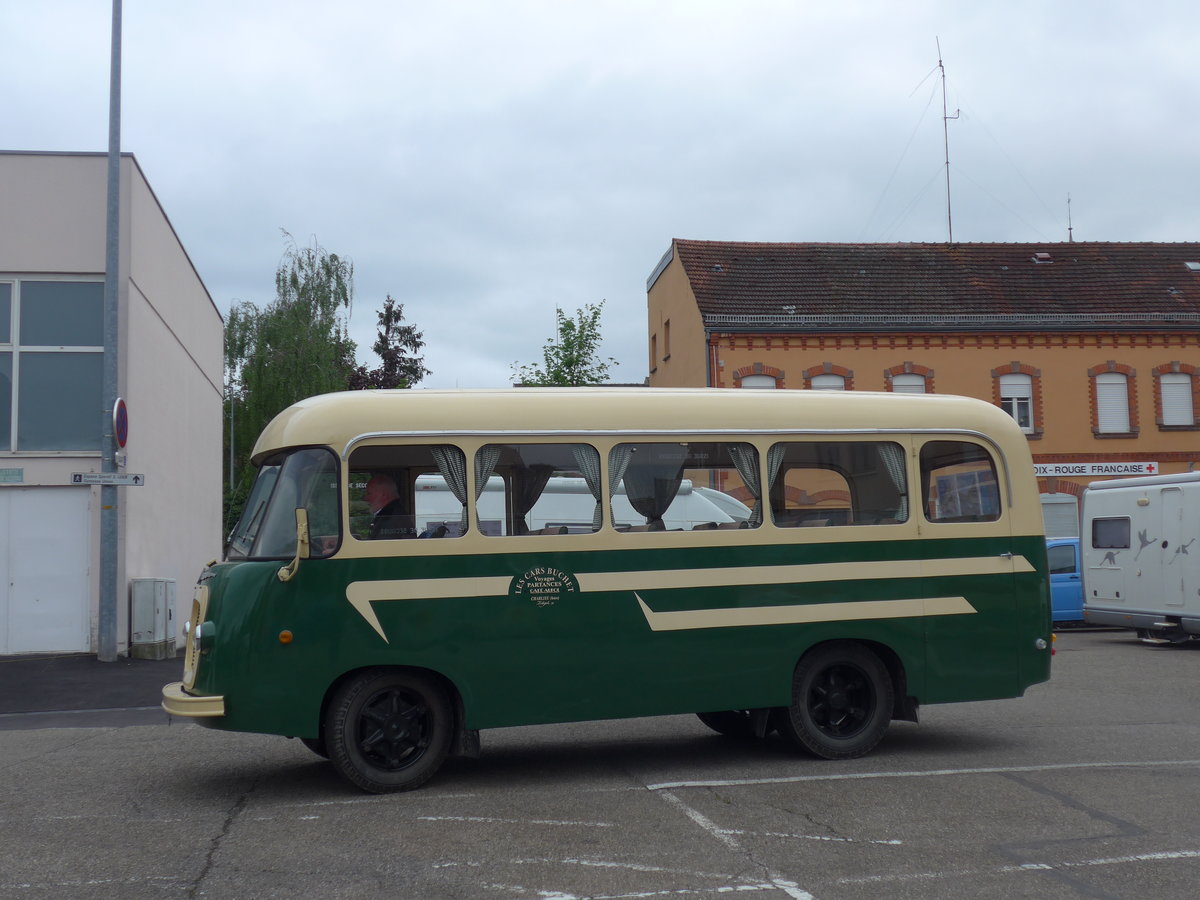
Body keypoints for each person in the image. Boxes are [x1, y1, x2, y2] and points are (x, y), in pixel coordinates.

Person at [365, 474, 415, 539]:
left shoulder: (390, 518)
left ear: (384, 495)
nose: (366, 498)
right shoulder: (391, 514)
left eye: (369, 494)